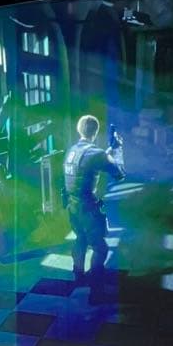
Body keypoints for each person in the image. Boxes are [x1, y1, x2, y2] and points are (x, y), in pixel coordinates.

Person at [62, 114, 125, 297]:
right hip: (88, 208)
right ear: (96, 132)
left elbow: (90, 162)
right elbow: (119, 174)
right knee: (100, 248)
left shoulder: (73, 150)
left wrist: (109, 151)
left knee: (80, 239)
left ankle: (78, 277)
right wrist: (118, 150)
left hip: (72, 206)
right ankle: (96, 292)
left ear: (79, 130)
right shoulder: (97, 154)